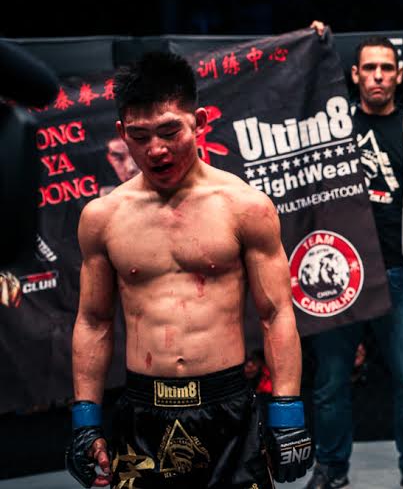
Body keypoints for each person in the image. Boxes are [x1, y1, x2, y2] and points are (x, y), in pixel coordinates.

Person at [66, 51, 312, 488]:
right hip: (142, 413)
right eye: (140, 136)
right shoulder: (103, 217)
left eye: (169, 131)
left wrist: (288, 414)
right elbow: (93, 320)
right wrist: (85, 422)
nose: (156, 149)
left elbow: (276, 314)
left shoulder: (244, 207)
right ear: (122, 134)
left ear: (198, 122)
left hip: (228, 410)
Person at [305, 27, 403, 489]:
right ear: (354, 75)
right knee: (331, 382)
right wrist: (315, 48)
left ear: (400, 74)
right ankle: (330, 468)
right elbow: (301, 100)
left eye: (385, 68)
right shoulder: (332, 127)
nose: (377, 76)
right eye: (369, 68)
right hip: (338, 277)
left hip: (401, 273)